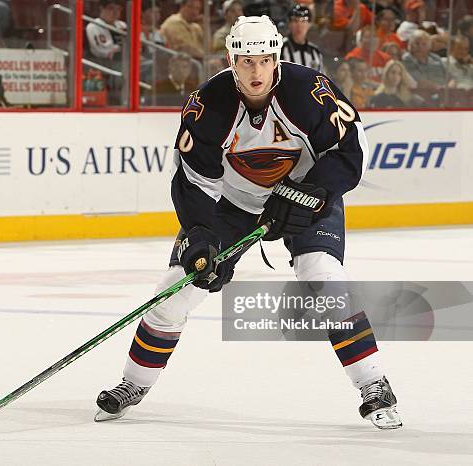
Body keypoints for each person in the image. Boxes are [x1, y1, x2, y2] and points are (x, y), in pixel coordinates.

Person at [95, 15, 402, 431]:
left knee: (324, 277)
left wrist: (309, 193)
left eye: (264, 60)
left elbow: (350, 152)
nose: (256, 72)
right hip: (234, 205)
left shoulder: (310, 91)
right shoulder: (208, 105)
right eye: (246, 61)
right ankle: (132, 384)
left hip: (306, 196)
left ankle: (374, 384)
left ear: (276, 58)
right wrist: (201, 233)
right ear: (230, 60)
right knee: (174, 290)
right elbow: (192, 179)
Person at [280, 3, 323, 72]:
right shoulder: (280, 47)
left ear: (309, 24)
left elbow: (320, 75)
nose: (299, 25)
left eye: (303, 21)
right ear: (289, 24)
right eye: (295, 21)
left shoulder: (315, 51)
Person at [402, 29, 447, 94]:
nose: (420, 47)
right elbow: (420, 81)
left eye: (424, 44)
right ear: (410, 45)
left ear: (429, 46)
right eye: (417, 43)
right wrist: (440, 89)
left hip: (443, 93)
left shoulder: (436, 58)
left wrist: (450, 85)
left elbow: (449, 76)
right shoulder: (407, 59)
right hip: (420, 94)